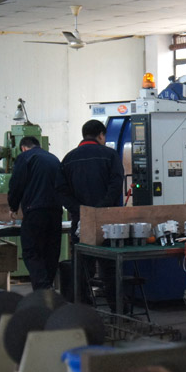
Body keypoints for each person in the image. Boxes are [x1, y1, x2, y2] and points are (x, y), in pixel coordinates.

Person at [57, 119, 124, 305]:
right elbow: (116, 184)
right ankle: (117, 308)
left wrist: (80, 210)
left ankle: (82, 308)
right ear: (101, 135)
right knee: (110, 266)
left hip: (80, 221)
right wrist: (101, 209)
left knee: (81, 265)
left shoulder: (69, 158)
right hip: (108, 222)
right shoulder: (110, 155)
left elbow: (61, 190)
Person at [7, 136, 63, 290]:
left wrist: (13, 206)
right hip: (56, 211)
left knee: (31, 251)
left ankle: (42, 290)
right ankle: (48, 288)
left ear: (23, 148)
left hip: (35, 211)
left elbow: (17, 184)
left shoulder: (25, 157)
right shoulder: (54, 158)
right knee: (51, 252)